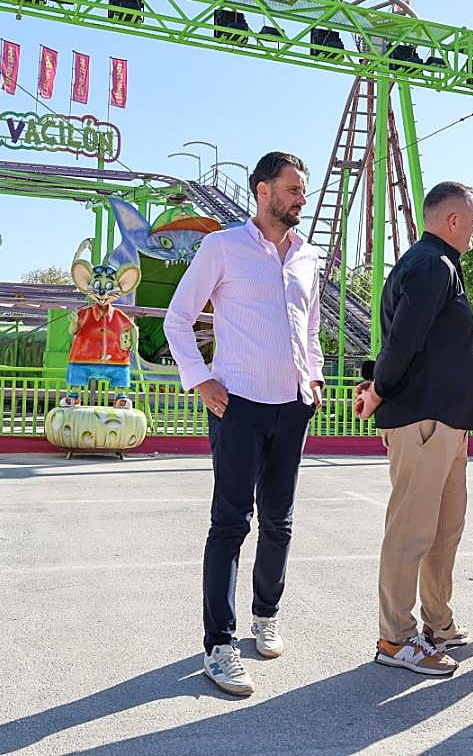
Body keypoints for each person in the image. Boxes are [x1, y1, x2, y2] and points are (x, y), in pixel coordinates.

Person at [163, 151, 324, 697]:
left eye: (302, 190)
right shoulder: (222, 246)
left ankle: (266, 616)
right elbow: (177, 318)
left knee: (280, 521)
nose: (301, 198)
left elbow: (312, 328)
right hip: (238, 406)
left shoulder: (307, 256)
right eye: (292, 189)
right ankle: (219, 645)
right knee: (231, 524)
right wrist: (200, 378)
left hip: (293, 405)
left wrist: (316, 377)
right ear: (262, 191)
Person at [354, 182, 473, 677]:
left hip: (446, 420)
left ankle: (438, 623)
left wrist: (375, 379)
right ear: (452, 220)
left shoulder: (435, 264)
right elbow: (405, 338)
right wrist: (380, 389)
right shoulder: (433, 264)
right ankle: (395, 638)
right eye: (472, 221)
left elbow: (413, 339)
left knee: (445, 530)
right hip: (424, 419)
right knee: (412, 531)